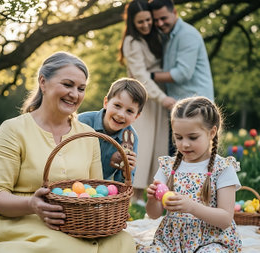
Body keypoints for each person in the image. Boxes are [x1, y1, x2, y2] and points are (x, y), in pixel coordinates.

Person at [0, 52, 136, 253]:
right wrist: (31, 204)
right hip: (23, 222)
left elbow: (95, 191)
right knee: (67, 249)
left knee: (123, 242)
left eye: (81, 88)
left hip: (77, 225)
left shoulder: (88, 135)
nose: (75, 94)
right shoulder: (13, 130)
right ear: (43, 82)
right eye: (67, 85)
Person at [138, 96, 242, 252]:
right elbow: (154, 215)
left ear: (211, 132)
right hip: (172, 240)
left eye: (192, 137)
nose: (184, 144)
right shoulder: (168, 166)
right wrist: (152, 200)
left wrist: (192, 207)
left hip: (211, 240)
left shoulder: (223, 168)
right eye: (178, 137)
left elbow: (225, 219)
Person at [119, 0, 175, 206]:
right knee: (140, 144)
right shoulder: (132, 42)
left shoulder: (153, 38)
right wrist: (162, 98)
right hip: (142, 97)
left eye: (148, 20)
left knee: (157, 145)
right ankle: (134, 193)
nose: (145, 25)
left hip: (158, 99)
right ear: (132, 23)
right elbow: (141, 76)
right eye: (140, 22)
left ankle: (153, 191)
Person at [149, 0, 215, 155]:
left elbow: (182, 74)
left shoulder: (187, 35)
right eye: (156, 20)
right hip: (179, 108)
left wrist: (149, 76)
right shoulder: (167, 36)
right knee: (179, 157)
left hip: (196, 107)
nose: (160, 23)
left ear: (175, 13)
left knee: (197, 158)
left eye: (163, 18)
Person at [78, 77, 147, 183]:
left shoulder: (130, 139)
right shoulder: (82, 122)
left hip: (101, 190)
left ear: (136, 116)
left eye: (129, 111)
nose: (121, 115)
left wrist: (126, 172)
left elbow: (122, 185)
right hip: (72, 182)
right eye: (117, 106)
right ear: (106, 103)